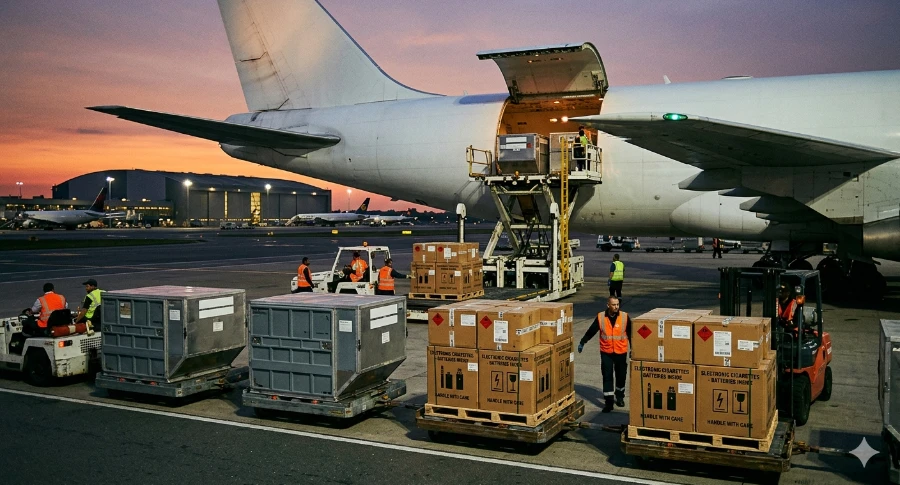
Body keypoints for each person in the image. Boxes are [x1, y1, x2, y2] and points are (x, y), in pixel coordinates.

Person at [577, 296, 632, 413]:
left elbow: (631, 334)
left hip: (621, 352)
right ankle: (609, 402)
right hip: (606, 352)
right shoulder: (601, 317)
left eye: (617, 304)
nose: (616, 307)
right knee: (607, 377)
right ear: (608, 305)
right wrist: (583, 341)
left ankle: (620, 397)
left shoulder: (624, 317)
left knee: (621, 376)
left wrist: (633, 349)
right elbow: (592, 330)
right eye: (614, 305)